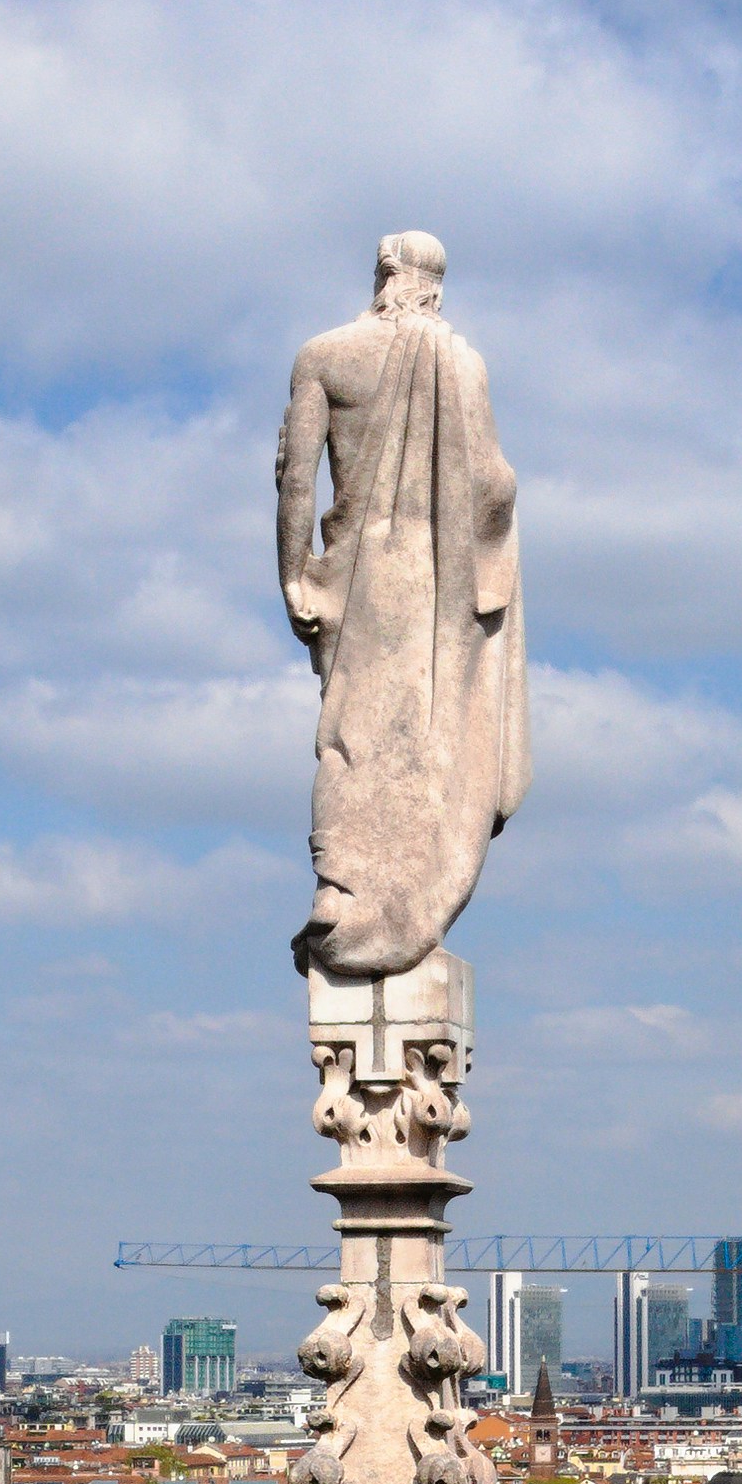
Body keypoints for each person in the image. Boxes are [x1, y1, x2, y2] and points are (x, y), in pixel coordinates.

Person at [274, 232, 528, 980]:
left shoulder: (325, 355)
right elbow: (492, 487)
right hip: (433, 580)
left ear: (381, 278)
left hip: (355, 578)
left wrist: (293, 576)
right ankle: (408, 902)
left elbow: (295, 481)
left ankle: (339, 891)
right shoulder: (461, 362)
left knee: (347, 732)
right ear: (432, 287)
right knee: (424, 739)